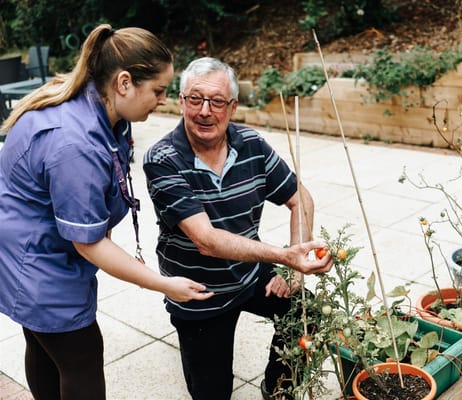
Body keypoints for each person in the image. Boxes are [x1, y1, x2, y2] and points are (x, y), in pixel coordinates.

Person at [0, 24, 213, 400]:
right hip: (39, 267)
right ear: (124, 82)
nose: (163, 101)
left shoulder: (96, 104)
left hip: (29, 253)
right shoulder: (73, 143)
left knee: (44, 344)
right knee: (80, 358)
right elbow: (89, 244)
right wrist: (163, 284)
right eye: (158, 91)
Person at [142, 57, 333, 400]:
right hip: (197, 291)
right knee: (213, 392)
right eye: (195, 99)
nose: (205, 111)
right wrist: (287, 257)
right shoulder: (163, 158)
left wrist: (293, 271)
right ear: (181, 102)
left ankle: (278, 389)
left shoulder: (251, 145)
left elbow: (300, 200)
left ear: (232, 106)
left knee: (307, 311)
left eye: (216, 101)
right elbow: (207, 241)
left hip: (247, 272)